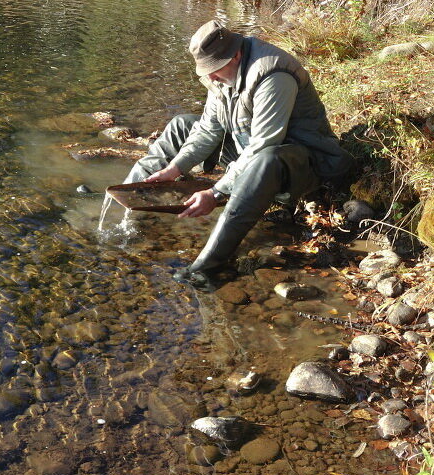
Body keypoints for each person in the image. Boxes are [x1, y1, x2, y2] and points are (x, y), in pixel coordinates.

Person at [123, 19, 353, 289]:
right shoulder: (219, 76)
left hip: (305, 165)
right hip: (252, 154)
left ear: (236, 55)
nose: (209, 77)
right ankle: (133, 198)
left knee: (265, 159)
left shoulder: (273, 75)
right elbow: (208, 130)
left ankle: (206, 266)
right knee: (182, 125)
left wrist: (216, 193)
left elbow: (264, 144)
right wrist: (175, 168)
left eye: (214, 70)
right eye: (206, 71)